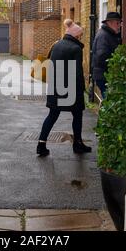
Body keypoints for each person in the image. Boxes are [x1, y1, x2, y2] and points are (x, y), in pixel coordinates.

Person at [37, 22, 92, 157]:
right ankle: (77, 144)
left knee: (52, 116)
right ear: (76, 36)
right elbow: (77, 73)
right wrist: (82, 90)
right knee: (77, 115)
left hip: (55, 87)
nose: (81, 38)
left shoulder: (57, 44)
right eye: (80, 36)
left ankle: (41, 144)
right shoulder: (76, 49)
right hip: (71, 89)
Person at [92, 12, 123, 98]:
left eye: (120, 23)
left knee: (109, 101)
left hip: (103, 74)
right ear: (109, 23)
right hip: (104, 75)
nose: (119, 25)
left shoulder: (108, 34)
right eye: (117, 23)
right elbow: (102, 56)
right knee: (110, 102)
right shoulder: (104, 36)